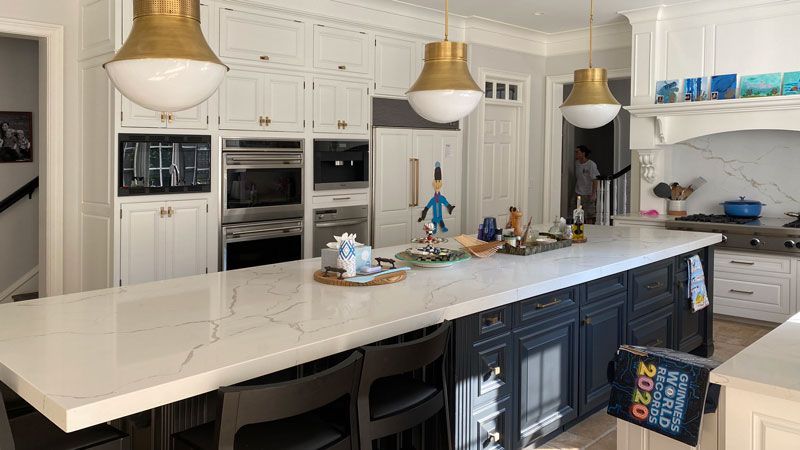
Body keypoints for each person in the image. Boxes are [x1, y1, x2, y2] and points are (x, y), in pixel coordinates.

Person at [574, 145, 600, 222]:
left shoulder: (591, 164)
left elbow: (595, 179)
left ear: (583, 153)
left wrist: (593, 193)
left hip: (588, 193)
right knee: (578, 213)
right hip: (578, 192)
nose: (576, 154)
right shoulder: (577, 163)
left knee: (589, 214)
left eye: (577, 152)